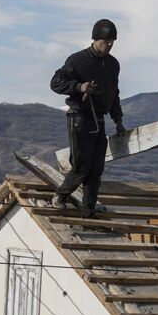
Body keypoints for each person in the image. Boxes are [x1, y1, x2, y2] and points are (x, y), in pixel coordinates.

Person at [50, 19, 126, 217]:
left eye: (112, 41)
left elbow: (114, 93)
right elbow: (56, 83)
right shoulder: (78, 60)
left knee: (96, 169)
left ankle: (88, 209)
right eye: (106, 40)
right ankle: (60, 197)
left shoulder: (112, 64)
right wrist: (79, 87)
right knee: (81, 166)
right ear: (96, 39)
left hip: (98, 119)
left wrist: (118, 120)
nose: (109, 44)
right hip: (80, 118)